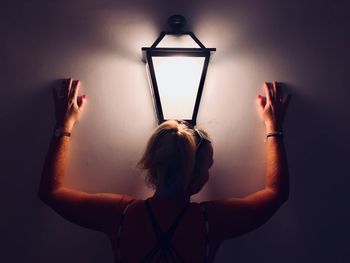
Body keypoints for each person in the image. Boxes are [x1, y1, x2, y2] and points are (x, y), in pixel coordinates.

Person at [39, 78, 291, 262]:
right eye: (208, 165)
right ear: (194, 177)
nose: (210, 173)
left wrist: (64, 125)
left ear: (152, 161)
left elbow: (51, 192)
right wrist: (274, 127)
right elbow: (276, 193)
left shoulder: (120, 216)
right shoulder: (210, 222)